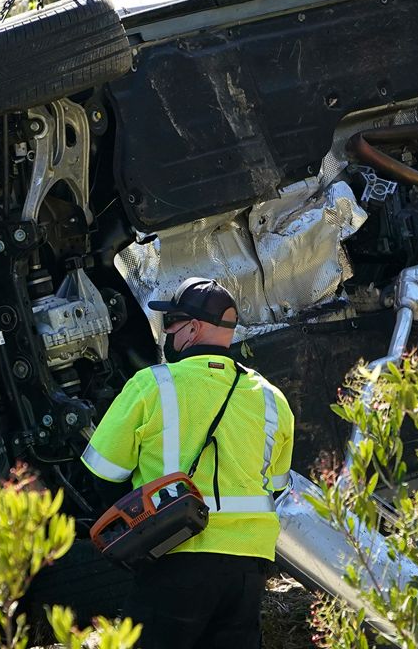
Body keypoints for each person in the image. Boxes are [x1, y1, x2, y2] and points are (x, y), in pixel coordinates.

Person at [81, 277, 295, 648]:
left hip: (174, 553)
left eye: (171, 325)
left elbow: (102, 472)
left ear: (193, 329)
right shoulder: (272, 399)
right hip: (247, 569)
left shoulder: (153, 384)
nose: (168, 334)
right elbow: (276, 488)